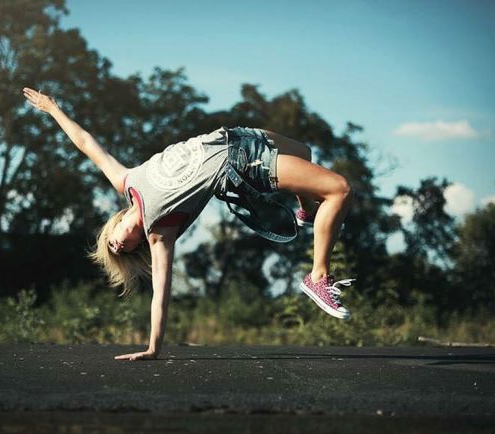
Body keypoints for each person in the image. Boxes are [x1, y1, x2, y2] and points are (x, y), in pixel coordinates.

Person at [22, 87, 356, 361]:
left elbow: (85, 143)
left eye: (113, 243)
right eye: (124, 251)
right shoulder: (160, 232)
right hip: (239, 164)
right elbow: (160, 294)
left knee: (305, 152)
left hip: (236, 136)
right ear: (138, 245)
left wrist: (53, 109)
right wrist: (153, 348)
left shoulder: (126, 180)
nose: (121, 245)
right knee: (339, 190)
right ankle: (317, 277)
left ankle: (305, 211)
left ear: (115, 224)